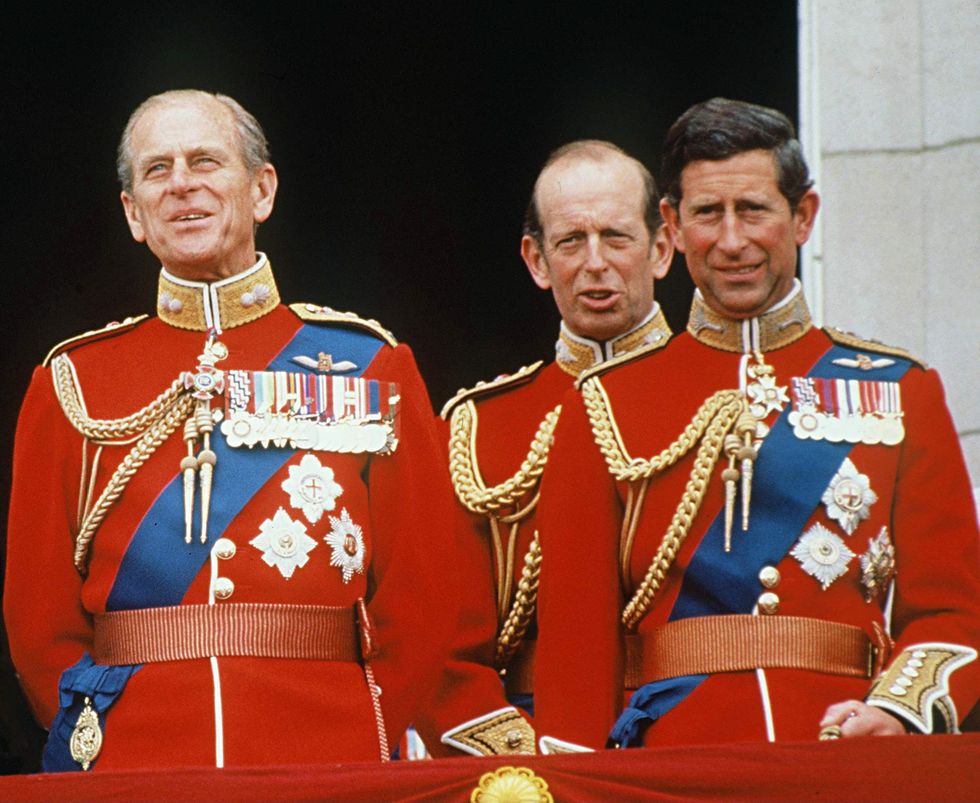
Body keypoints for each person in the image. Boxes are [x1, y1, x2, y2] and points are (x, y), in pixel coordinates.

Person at [2, 89, 455, 771]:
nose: (182, 183)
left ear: (261, 190)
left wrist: (369, 723)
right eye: (157, 170)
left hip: (324, 752)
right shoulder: (70, 379)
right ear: (133, 213)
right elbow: (40, 619)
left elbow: (422, 594)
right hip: (134, 761)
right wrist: (88, 728)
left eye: (205, 161)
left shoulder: (368, 361)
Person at [533, 98, 980, 752]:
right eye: (708, 214)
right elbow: (576, 646)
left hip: (845, 755)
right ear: (672, 225)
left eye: (754, 210)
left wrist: (899, 711)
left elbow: (951, 609)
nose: (732, 240)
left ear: (803, 216)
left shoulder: (899, 389)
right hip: (676, 767)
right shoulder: (603, 399)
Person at [413, 141, 673, 757]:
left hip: (683, 730)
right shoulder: (480, 427)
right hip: (527, 742)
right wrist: (524, 766)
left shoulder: (724, 399)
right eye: (570, 241)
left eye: (616, 237)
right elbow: (446, 650)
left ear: (662, 249)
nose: (595, 263)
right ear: (536, 260)